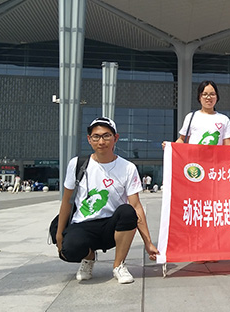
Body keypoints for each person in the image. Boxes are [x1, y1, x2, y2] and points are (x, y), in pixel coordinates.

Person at [56, 117, 159, 284]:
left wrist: (148, 243)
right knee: (69, 250)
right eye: (96, 136)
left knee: (128, 211)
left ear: (115, 138)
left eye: (106, 136)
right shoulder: (77, 164)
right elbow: (67, 201)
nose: (101, 141)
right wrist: (59, 235)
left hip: (112, 226)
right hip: (84, 224)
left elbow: (136, 206)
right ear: (89, 139)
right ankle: (89, 257)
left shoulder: (127, 167)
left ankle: (118, 265)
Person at [176, 80, 230, 145]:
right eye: (205, 94)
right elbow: (182, 139)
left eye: (212, 94)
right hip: (195, 152)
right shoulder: (191, 117)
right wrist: (170, 147)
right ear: (199, 97)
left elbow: (227, 146)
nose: (208, 97)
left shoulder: (224, 119)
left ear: (217, 97)